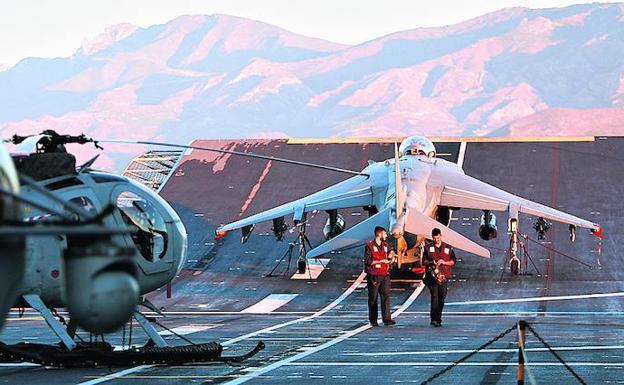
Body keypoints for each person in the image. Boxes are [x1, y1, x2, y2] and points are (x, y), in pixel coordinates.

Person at [423, 228, 456, 327]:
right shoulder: (428, 248)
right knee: (435, 297)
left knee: (442, 297)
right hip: (432, 277)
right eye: (434, 238)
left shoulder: (448, 247)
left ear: (441, 236)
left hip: (444, 276)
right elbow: (423, 261)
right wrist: (431, 262)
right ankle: (434, 319)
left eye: (438, 238)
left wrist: (444, 262)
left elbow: (453, 260)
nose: (436, 240)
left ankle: (439, 317)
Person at [364, 226, 397, 326]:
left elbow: (391, 250)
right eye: (385, 233)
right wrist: (381, 261)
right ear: (379, 234)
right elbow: (368, 261)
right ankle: (373, 320)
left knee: (385, 297)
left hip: (384, 275)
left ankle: (387, 319)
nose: (386, 235)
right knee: (373, 298)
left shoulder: (386, 245)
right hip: (374, 276)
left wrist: (392, 254)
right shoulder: (369, 247)